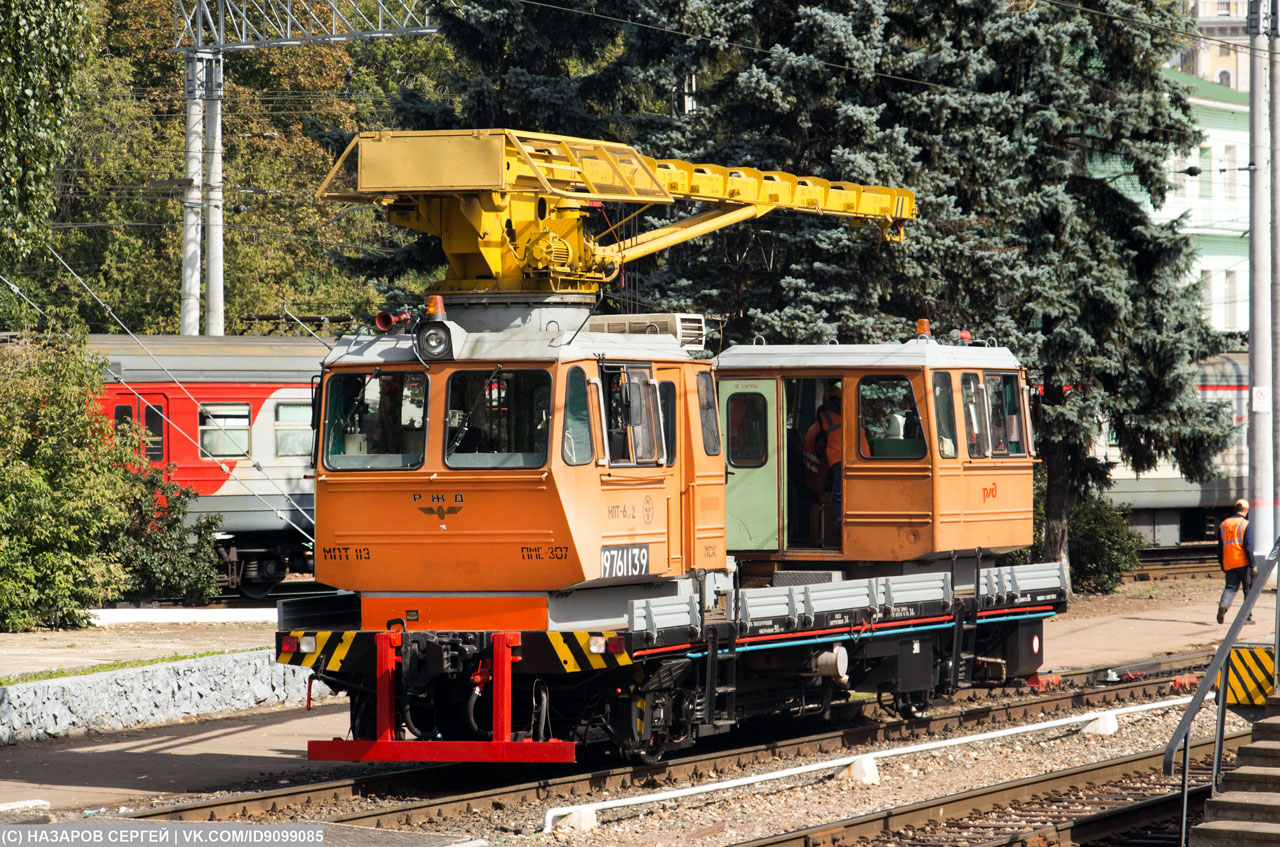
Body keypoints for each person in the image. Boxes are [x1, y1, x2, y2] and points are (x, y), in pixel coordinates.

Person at [801, 385, 843, 538]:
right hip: (818, 480)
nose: (837, 404)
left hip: (823, 474)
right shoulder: (822, 430)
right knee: (840, 497)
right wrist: (819, 491)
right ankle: (839, 531)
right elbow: (824, 462)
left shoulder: (822, 423)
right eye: (835, 400)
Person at [1217, 498, 1256, 625]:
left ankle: (1224, 605)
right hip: (1243, 562)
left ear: (1235, 509)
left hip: (1229, 562)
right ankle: (1246, 617)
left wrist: (1222, 564)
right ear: (1245, 510)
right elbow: (1249, 546)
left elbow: (1219, 548)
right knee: (1247, 590)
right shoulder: (1245, 524)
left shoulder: (1223, 524)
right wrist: (1253, 565)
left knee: (1230, 588)